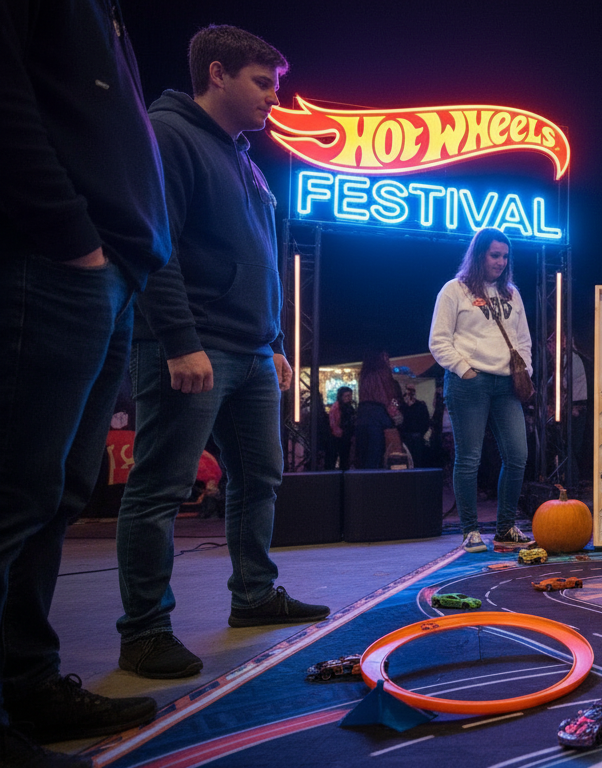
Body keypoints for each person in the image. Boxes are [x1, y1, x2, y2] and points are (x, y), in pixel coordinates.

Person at [115, 25, 329, 682]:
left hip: (252, 350)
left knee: (260, 479)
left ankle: (254, 596)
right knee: (160, 487)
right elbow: (156, 246)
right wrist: (180, 341)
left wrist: (276, 342)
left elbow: (261, 262)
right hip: (195, 346)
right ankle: (145, 632)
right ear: (217, 73)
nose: (274, 98)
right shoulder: (168, 134)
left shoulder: (243, 158)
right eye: (263, 84)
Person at [1, 1, 172, 761]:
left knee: (56, 494)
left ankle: (28, 686)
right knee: (15, 493)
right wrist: (70, 234)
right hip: (58, 260)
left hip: (107, 272)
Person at [429, 228, 535, 553]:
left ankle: (505, 529)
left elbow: (523, 340)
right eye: (494, 255)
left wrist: (525, 371)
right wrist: (465, 370)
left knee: (518, 456)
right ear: (479, 255)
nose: (501, 262)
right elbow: (438, 340)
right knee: (469, 458)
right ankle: (470, 531)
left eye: (505, 256)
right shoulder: (454, 290)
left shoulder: (512, 294)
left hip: (506, 384)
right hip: (469, 383)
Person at [353, 352, 404, 468]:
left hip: (362, 415)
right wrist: (394, 412)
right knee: (377, 456)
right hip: (378, 415)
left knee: (364, 456)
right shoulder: (383, 372)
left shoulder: (364, 375)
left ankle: (363, 478)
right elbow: (387, 396)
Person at [400, 384, 430, 468]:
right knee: (407, 459)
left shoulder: (420, 405)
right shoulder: (403, 406)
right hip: (406, 436)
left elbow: (426, 421)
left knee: (417, 460)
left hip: (416, 436)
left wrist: (420, 432)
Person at [327, 386, 355, 470]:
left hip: (346, 436)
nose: (349, 398)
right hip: (338, 437)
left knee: (345, 459)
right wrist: (340, 433)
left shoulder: (349, 407)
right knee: (334, 458)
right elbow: (333, 423)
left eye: (350, 396)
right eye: (346, 396)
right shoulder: (336, 407)